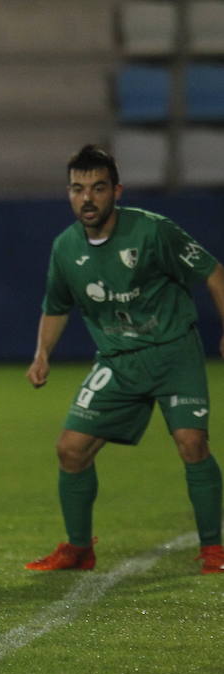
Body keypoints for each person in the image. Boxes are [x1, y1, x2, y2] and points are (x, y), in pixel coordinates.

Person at [25, 145, 224, 575]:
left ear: (116, 190)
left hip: (174, 353)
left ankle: (214, 549)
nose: (87, 198)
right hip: (118, 360)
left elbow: (213, 272)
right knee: (70, 450)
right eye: (78, 189)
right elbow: (57, 306)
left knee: (192, 444)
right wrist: (43, 354)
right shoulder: (65, 248)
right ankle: (79, 549)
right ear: (69, 194)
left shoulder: (153, 232)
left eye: (97, 188)